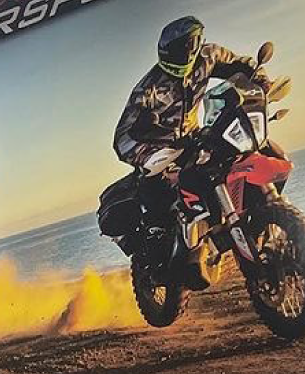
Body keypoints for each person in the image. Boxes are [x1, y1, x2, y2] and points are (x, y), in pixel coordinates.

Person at [112, 16, 269, 223]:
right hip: (165, 148)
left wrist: (261, 82)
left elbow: (241, 65)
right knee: (157, 190)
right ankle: (158, 228)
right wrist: (152, 142)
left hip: (197, 137)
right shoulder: (148, 89)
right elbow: (122, 139)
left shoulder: (208, 56)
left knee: (248, 152)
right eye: (179, 49)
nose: (185, 52)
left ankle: (264, 210)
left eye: (190, 45)